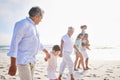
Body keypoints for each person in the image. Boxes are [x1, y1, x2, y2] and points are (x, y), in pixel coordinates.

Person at [7, 6, 50, 80]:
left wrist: (46, 52)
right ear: (37, 16)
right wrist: (13, 64)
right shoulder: (22, 24)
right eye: (41, 18)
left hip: (32, 60)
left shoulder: (34, 27)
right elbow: (14, 43)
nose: (41, 20)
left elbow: (37, 43)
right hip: (23, 61)